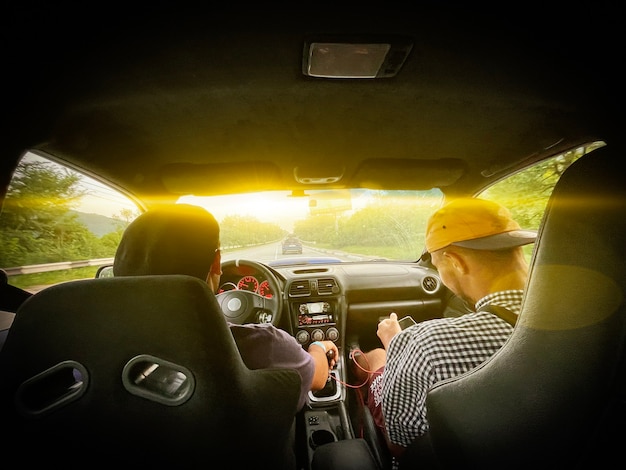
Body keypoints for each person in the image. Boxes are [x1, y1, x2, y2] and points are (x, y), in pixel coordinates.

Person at [352, 198, 536, 465]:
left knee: (376, 357)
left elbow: (400, 445)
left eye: (438, 267)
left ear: (455, 262)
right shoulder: (581, 321)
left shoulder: (422, 344)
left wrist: (397, 347)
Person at [113, 203, 338, 411]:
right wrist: (318, 345)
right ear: (217, 262)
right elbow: (318, 378)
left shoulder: (94, 346)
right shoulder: (264, 345)